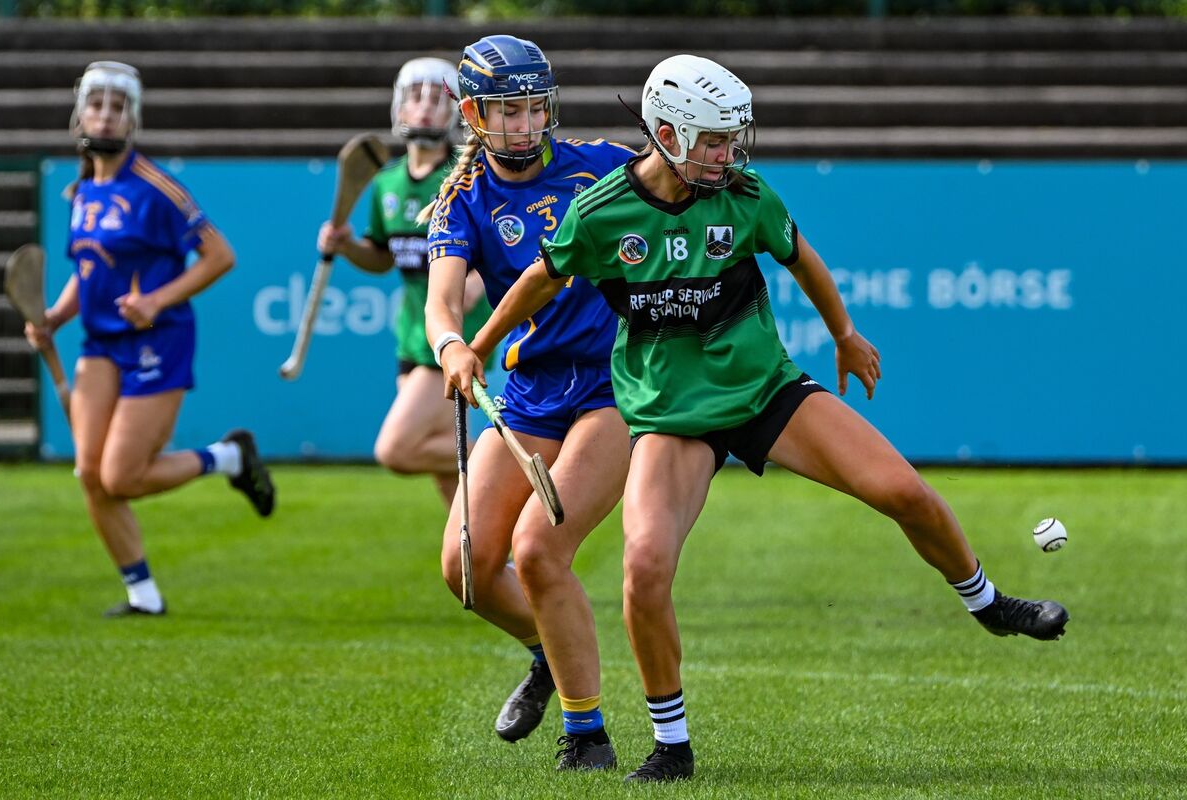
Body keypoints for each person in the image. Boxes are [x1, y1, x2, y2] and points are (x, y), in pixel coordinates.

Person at [465, 54, 1071, 783]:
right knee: (645, 568)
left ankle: (989, 602)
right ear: (665, 133)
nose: (730, 153)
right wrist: (476, 347)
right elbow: (540, 277)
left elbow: (802, 259)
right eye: (714, 140)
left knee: (904, 492)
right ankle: (672, 747)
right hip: (670, 417)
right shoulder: (601, 212)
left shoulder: (747, 196)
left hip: (765, 393)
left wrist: (844, 334)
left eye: (732, 137)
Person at [421, 35, 635, 770]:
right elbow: (442, 303)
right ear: (473, 114)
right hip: (531, 393)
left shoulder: (602, 165)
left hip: (615, 384)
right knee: (467, 566)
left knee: (540, 550)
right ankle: (548, 653)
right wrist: (452, 348)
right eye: (507, 111)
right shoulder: (462, 202)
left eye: (534, 108)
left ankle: (588, 735)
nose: (524, 124)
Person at [25, 61, 274, 618]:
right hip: (99, 344)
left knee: (122, 476)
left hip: (158, 341)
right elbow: (88, 272)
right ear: (80, 114)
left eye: (117, 109)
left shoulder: (157, 188)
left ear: (132, 120)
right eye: (97, 106)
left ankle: (228, 458)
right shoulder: (83, 189)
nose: (106, 117)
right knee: (91, 474)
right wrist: (54, 317)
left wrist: (157, 301)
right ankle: (143, 594)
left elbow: (220, 256)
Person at [316, 57, 491, 507]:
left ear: (456, 111)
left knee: (396, 449)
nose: (427, 107)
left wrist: (472, 284)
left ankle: (504, 459)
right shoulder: (386, 183)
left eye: (438, 98)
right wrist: (346, 244)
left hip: (454, 338)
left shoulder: (466, 179)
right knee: (451, 483)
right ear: (400, 106)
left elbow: (487, 258)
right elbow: (380, 258)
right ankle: (488, 564)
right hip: (409, 343)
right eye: (417, 96)